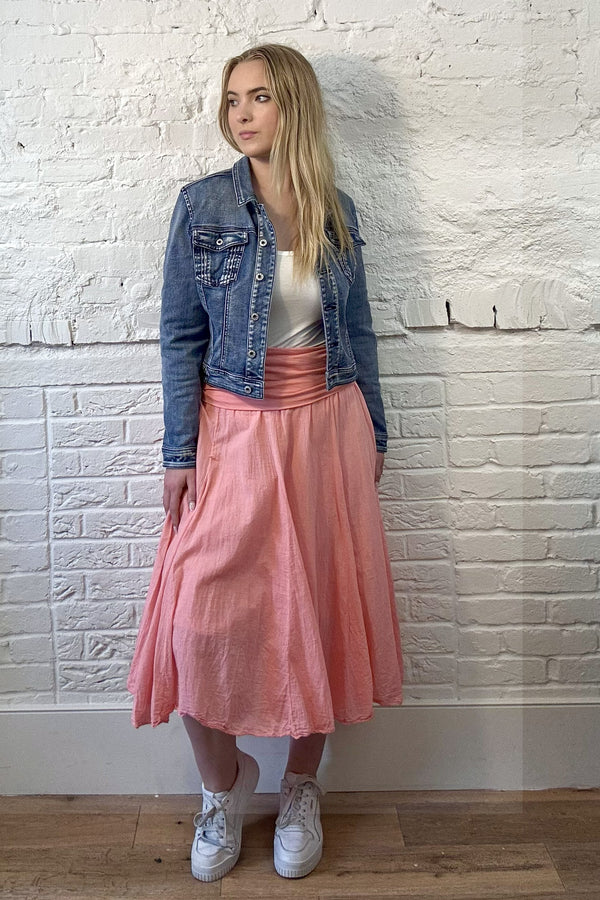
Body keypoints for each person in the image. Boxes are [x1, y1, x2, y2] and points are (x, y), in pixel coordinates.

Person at [127, 42, 403, 883]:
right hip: (236, 434)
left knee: (317, 608)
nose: (241, 113)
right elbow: (181, 335)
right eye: (233, 99)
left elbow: (358, 332)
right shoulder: (203, 205)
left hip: (327, 430)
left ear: (295, 105)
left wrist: (374, 432)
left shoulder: (335, 210)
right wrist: (180, 451)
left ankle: (300, 787)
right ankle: (223, 785)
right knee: (196, 616)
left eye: (260, 97)